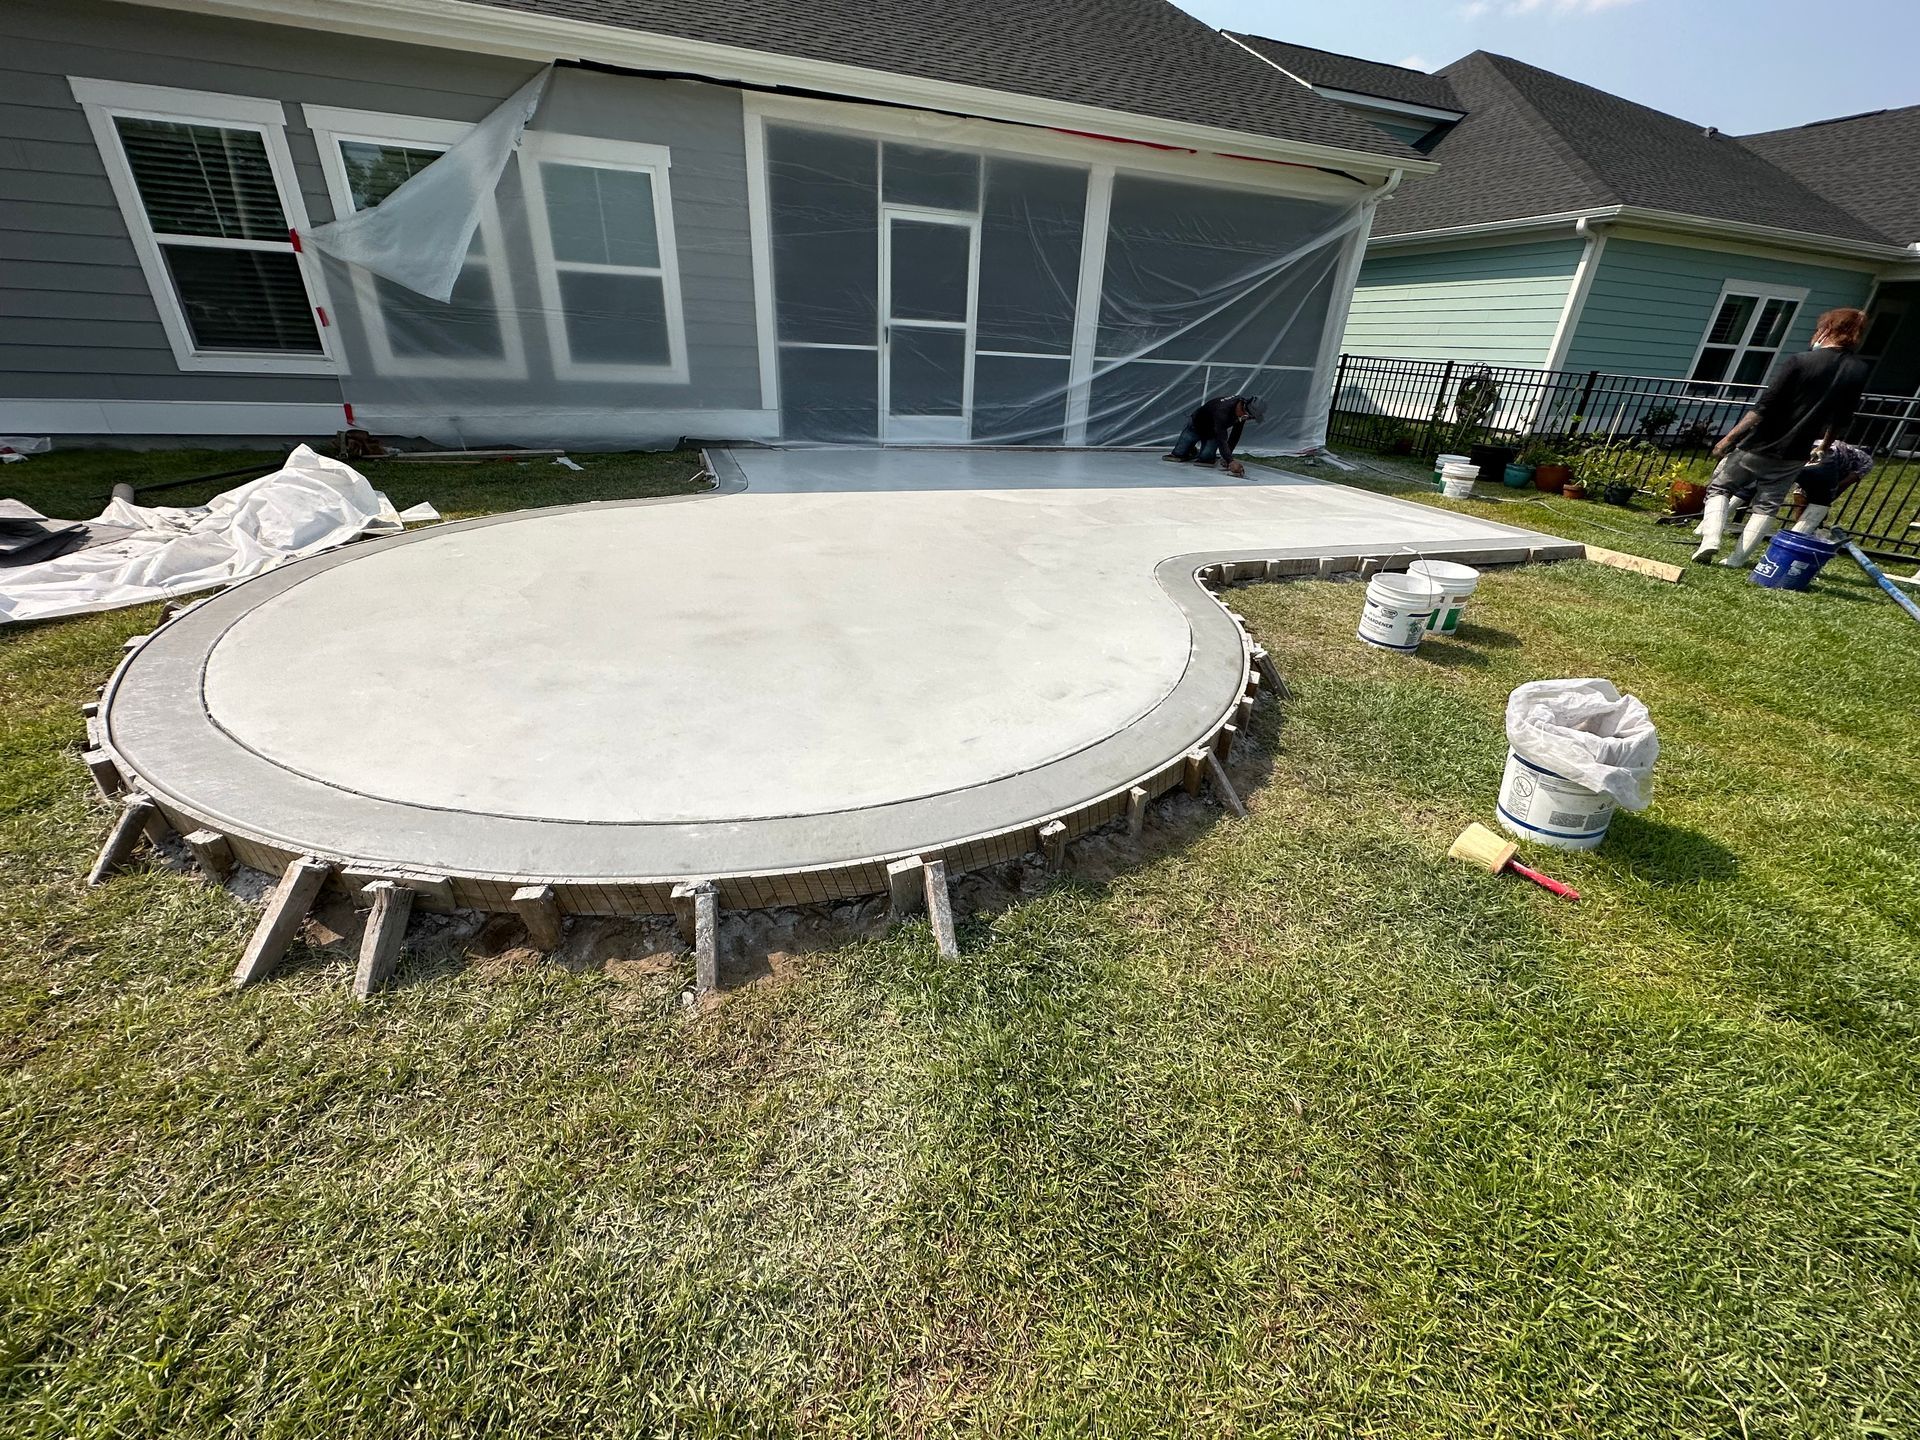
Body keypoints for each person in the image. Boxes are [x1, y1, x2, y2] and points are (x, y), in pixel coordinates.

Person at [1693, 307, 1872, 567]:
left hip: (1761, 443)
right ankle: (1736, 560)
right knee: (1768, 506)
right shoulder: (1858, 370)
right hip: (1797, 452)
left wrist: (1728, 439)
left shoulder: (1801, 361)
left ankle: (1710, 540)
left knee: (1720, 487)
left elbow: (1764, 406)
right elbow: (1842, 418)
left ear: (1827, 329)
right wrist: (1824, 446)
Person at [1164, 393, 1266, 477]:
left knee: (1206, 459)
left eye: (1249, 417)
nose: (1247, 418)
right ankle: (1190, 450)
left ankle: (1195, 452)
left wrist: (1227, 458)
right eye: (1248, 416)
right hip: (1196, 425)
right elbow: (1222, 439)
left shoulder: (1242, 413)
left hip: (1213, 433)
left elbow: (1236, 434)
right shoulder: (1222, 410)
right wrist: (1230, 461)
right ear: (1244, 408)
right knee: (1178, 454)